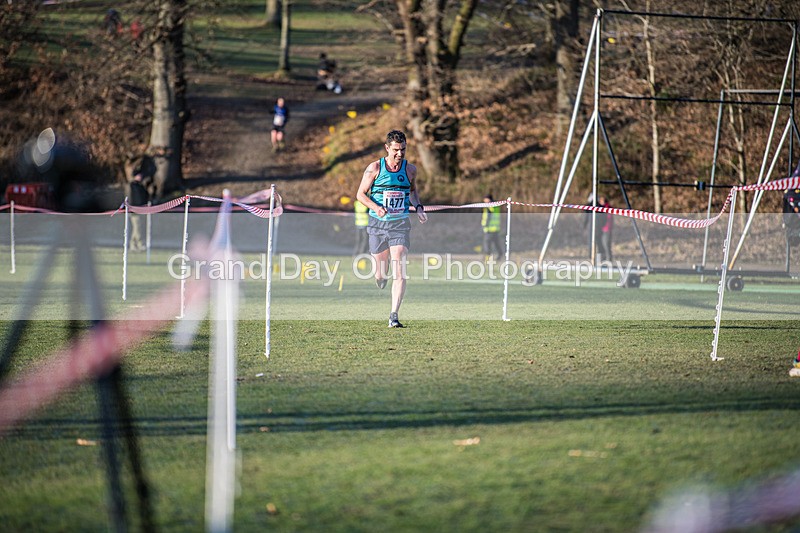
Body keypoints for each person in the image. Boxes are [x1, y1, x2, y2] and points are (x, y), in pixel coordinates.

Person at [356, 130, 427, 328]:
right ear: (387, 148)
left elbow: (412, 192)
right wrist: (376, 207)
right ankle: (380, 277)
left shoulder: (410, 170)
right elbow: (360, 195)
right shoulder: (375, 168)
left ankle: (393, 315)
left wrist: (418, 207)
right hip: (377, 225)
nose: (400, 154)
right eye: (396, 150)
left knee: (400, 270)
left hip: (400, 225)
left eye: (403, 149)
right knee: (380, 273)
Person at [124, 153, 156, 252]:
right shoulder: (132, 185)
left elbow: (144, 196)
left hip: (139, 209)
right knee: (137, 227)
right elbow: (132, 198)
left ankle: (133, 245)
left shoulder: (141, 186)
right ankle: (140, 244)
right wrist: (133, 208)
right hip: (134, 210)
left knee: (136, 228)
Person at [586, 194, 613, 263]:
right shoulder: (601, 207)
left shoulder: (606, 208)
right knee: (599, 244)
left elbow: (607, 219)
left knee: (605, 244)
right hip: (601, 229)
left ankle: (608, 259)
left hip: (605, 229)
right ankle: (600, 259)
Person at [481, 194, 503, 260]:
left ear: (488, 199)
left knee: (487, 244)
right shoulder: (496, 206)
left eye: (485, 199)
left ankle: (487, 257)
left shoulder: (489, 206)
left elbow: (488, 216)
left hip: (489, 229)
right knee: (496, 243)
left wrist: (485, 225)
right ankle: (500, 254)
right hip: (496, 228)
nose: (484, 200)